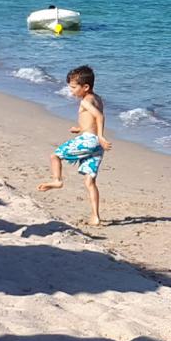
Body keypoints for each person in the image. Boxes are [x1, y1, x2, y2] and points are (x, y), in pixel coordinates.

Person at [39, 65, 112, 225]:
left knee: (55, 156)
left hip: (90, 140)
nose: (71, 91)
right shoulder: (97, 98)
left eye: (73, 87)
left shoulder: (86, 102)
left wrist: (100, 136)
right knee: (90, 182)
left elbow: (99, 116)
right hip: (96, 146)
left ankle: (57, 180)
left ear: (85, 87)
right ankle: (95, 216)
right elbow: (93, 119)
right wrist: (80, 128)